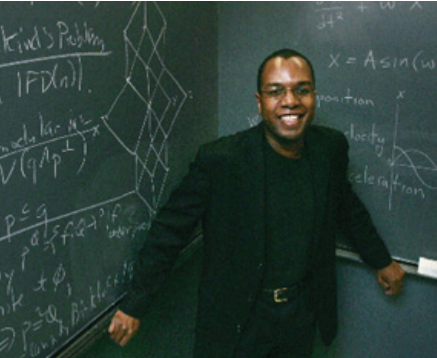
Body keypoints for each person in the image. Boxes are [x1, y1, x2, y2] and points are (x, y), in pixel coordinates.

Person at [108, 49, 405, 357]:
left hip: (299, 318)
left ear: (314, 97)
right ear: (260, 102)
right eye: (276, 92)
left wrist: (381, 260)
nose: (290, 101)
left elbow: (347, 208)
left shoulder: (329, 149)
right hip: (237, 323)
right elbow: (169, 232)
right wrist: (135, 305)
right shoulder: (222, 161)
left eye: (301, 90)